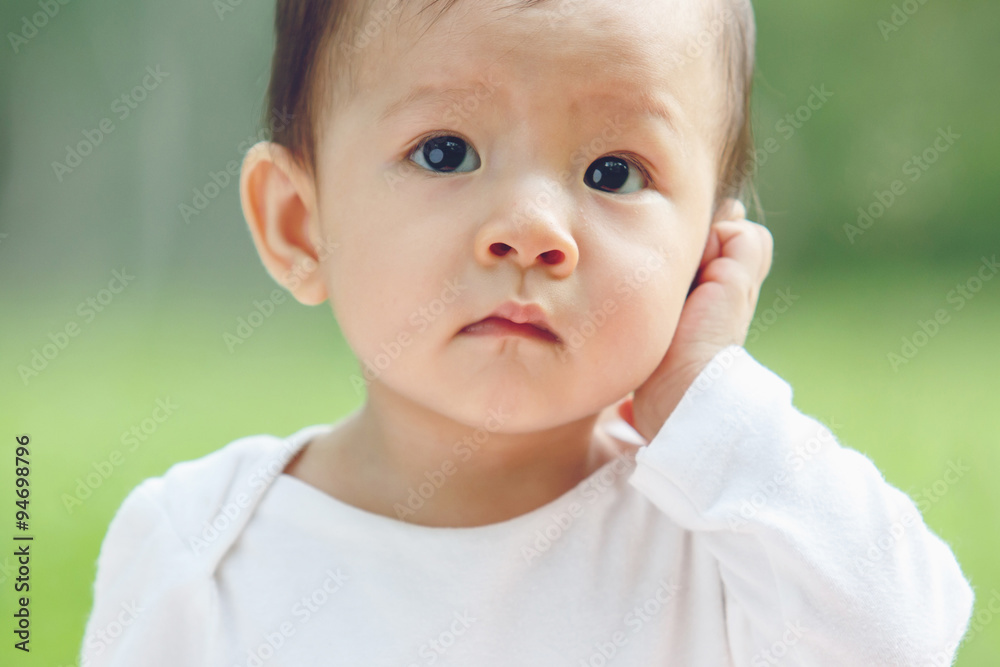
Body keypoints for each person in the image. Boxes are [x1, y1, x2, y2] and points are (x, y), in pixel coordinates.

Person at [80, 0, 975, 664]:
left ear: (707, 253)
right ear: (298, 225)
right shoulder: (196, 547)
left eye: (614, 170)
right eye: (445, 152)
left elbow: (903, 638)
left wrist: (707, 400)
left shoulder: (729, 539)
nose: (534, 226)